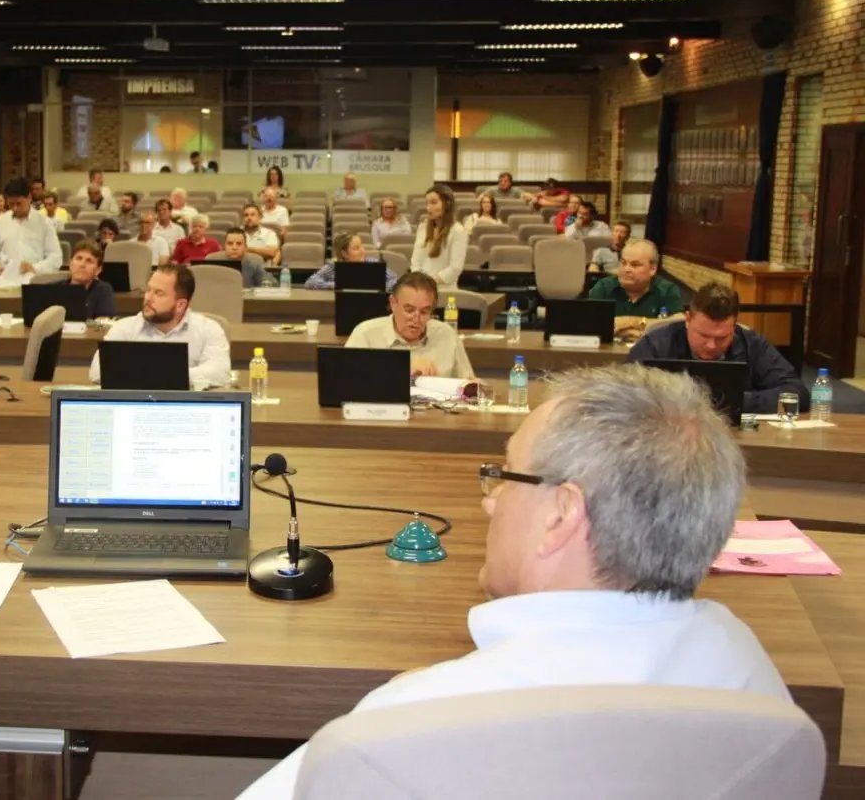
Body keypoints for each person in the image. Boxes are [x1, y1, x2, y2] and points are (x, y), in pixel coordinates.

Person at [239, 363, 788, 800]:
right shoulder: (750, 674)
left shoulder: (408, 725)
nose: (489, 500)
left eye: (505, 476)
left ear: (560, 516)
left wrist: (424, 696)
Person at [628, 282, 808, 413]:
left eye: (722, 338)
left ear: (734, 327)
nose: (711, 346)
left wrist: (736, 401)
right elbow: (625, 390)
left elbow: (797, 393)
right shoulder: (657, 344)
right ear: (688, 320)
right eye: (703, 335)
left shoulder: (752, 344)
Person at [88, 264, 230, 389]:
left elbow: (220, 373)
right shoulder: (124, 328)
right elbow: (97, 372)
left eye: (158, 293)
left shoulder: (209, 330)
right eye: (148, 290)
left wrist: (156, 374)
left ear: (180, 305)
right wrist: (167, 375)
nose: (148, 298)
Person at [344, 271, 473, 378]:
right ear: (393, 303)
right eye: (409, 310)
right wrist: (405, 369)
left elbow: (468, 385)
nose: (416, 319)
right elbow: (345, 381)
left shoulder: (447, 335)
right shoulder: (366, 334)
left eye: (424, 312)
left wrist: (473, 386)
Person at [588, 239, 684, 341]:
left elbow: (679, 322)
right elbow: (588, 323)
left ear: (652, 269)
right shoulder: (604, 287)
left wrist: (633, 322)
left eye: (635, 265)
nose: (626, 269)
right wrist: (634, 333)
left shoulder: (667, 289)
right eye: (623, 263)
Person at [0, 177, 63, 287]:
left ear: (29, 198)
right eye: (11, 204)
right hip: (6, 281)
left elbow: (56, 257)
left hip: (36, 281)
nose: (15, 208)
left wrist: (34, 268)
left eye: (19, 203)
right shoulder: (0, 222)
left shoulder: (44, 223)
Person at [411, 186, 469, 288]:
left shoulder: (458, 231)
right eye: (427, 203)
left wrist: (430, 282)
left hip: (445, 289)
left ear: (447, 204)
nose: (428, 208)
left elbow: (455, 268)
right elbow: (415, 262)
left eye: (433, 203)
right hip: (422, 288)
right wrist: (420, 282)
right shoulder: (422, 228)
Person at [305, 231, 399, 292]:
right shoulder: (334, 266)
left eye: (362, 246)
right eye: (356, 248)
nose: (362, 251)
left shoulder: (373, 263)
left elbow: (395, 280)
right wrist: (335, 285)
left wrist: (379, 287)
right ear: (344, 253)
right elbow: (310, 282)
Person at [60, 239, 116, 320]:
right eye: (79, 258)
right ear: (70, 264)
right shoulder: (54, 289)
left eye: (89, 261)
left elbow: (103, 321)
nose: (82, 265)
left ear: (98, 270)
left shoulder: (103, 290)